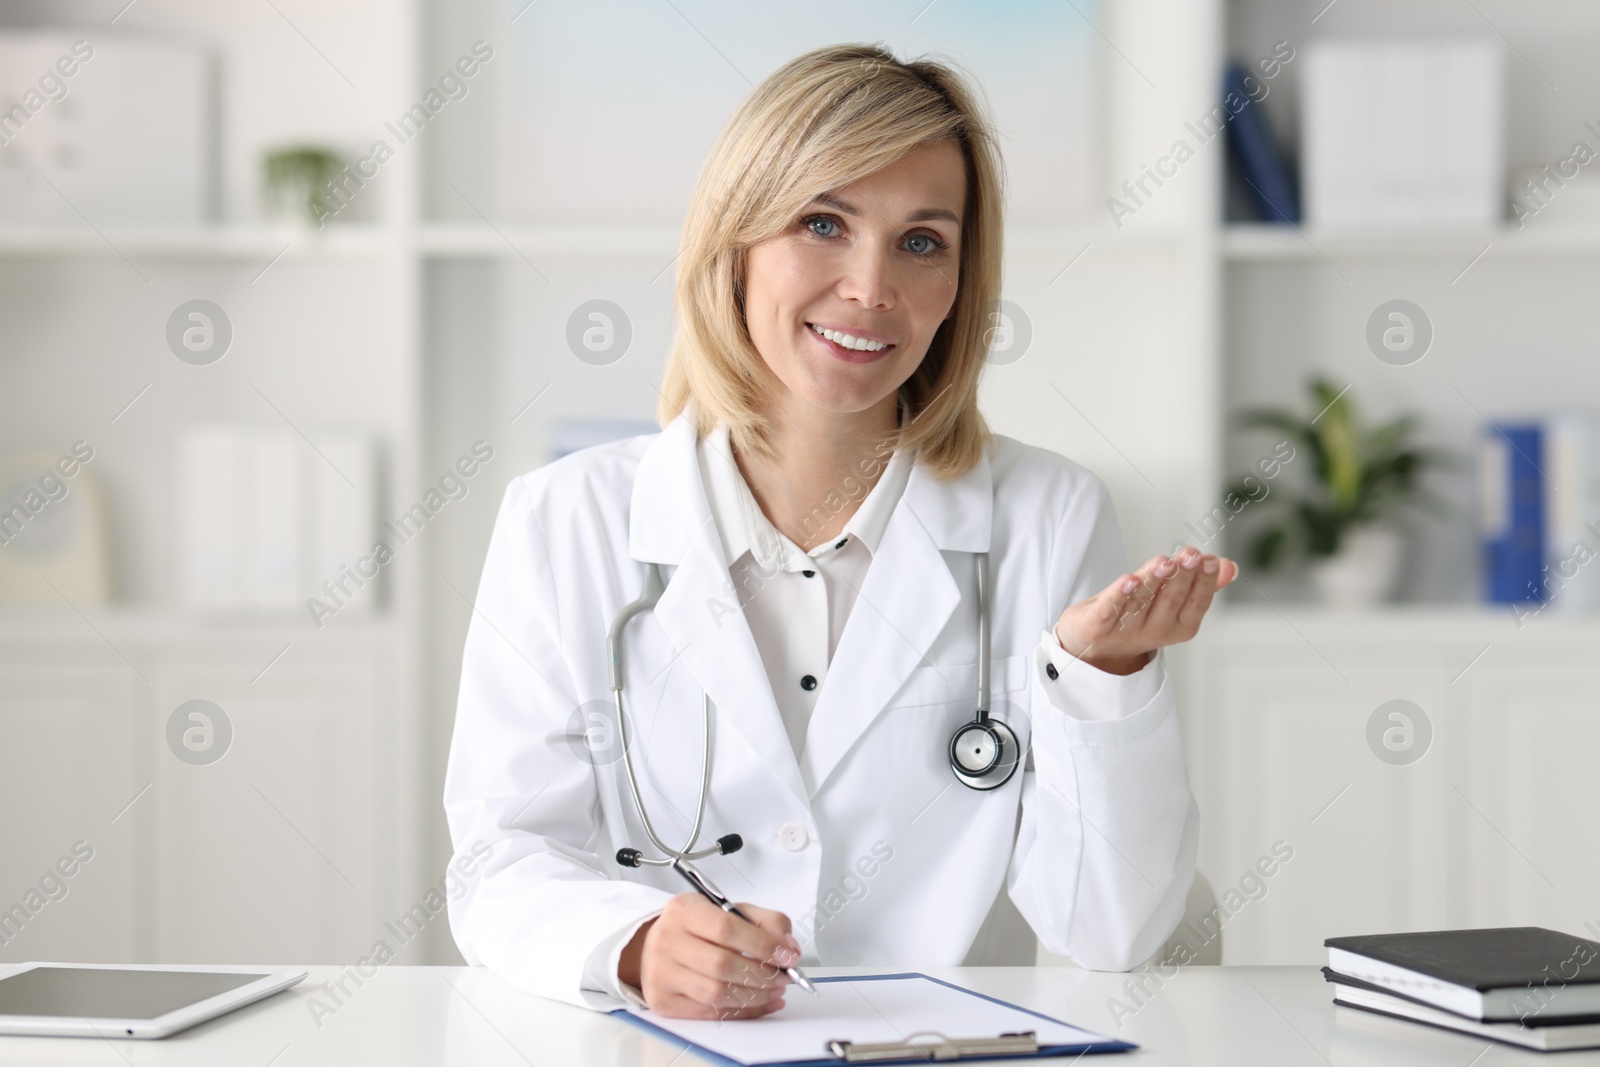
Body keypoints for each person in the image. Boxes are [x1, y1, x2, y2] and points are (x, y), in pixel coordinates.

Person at [443, 43, 1237, 1021]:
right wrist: (635, 945)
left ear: (961, 280)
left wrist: (1099, 683)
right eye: (824, 223)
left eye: (921, 240)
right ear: (733, 242)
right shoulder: (564, 521)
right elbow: (499, 862)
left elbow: (1118, 934)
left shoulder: (1048, 514)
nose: (870, 287)